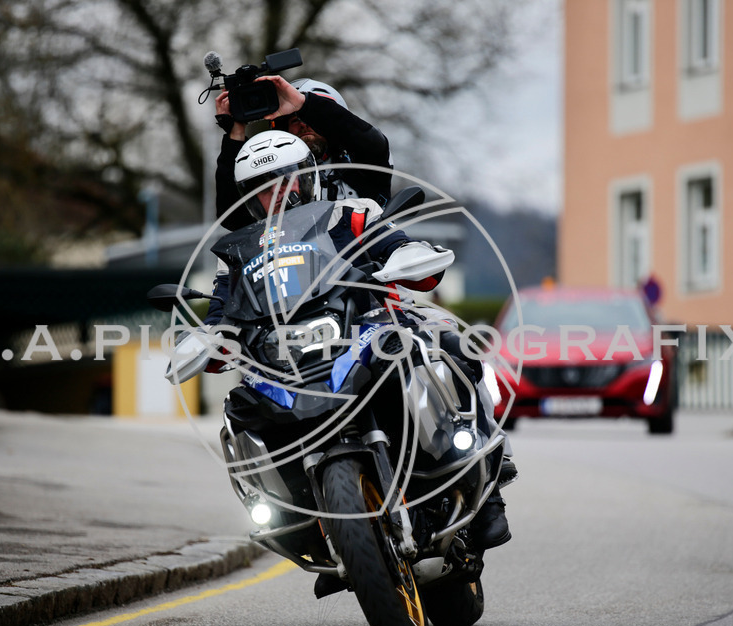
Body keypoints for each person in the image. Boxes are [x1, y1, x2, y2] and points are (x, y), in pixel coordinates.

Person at [203, 130, 512, 566]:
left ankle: (483, 482)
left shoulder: (347, 213)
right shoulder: (237, 250)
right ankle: (296, 517)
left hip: (362, 330)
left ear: (306, 177)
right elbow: (219, 309)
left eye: (284, 181)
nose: (275, 195)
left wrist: (407, 255)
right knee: (241, 410)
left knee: (448, 342)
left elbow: (393, 244)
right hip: (285, 356)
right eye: (261, 188)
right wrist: (207, 336)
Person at [214, 75, 393, 231]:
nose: (304, 124)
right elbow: (233, 218)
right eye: (295, 119)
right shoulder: (272, 180)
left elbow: (371, 143)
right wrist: (234, 135)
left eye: (312, 119)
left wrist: (303, 104)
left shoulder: (362, 167)